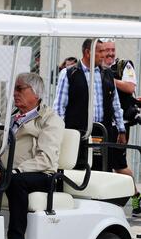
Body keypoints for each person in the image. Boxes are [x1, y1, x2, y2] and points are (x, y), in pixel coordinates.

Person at [0, 73, 64, 239]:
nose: (15, 93)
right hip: (7, 172)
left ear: (35, 94)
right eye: (14, 88)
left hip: (41, 175)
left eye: (20, 89)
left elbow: (46, 159)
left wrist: (15, 171)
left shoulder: (49, 119)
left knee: (16, 182)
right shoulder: (11, 118)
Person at [53, 38, 126, 168]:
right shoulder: (70, 73)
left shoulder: (108, 73)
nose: (104, 55)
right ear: (88, 52)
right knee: (78, 168)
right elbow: (59, 107)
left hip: (103, 132)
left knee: (102, 168)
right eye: (101, 51)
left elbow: (115, 104)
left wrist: (121, 130)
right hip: (77, 133)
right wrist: (61, 133)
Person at [101, 38, 141, 215]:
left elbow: (130, 87)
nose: (109, 53)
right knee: (102, 163)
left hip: (120, 124)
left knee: (119, 164)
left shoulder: (124, 66)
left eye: (112, 49)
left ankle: (136, 197)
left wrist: (109, 77)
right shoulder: (95, 67)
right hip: (100, 124)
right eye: (106, 50)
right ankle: (107, 201)